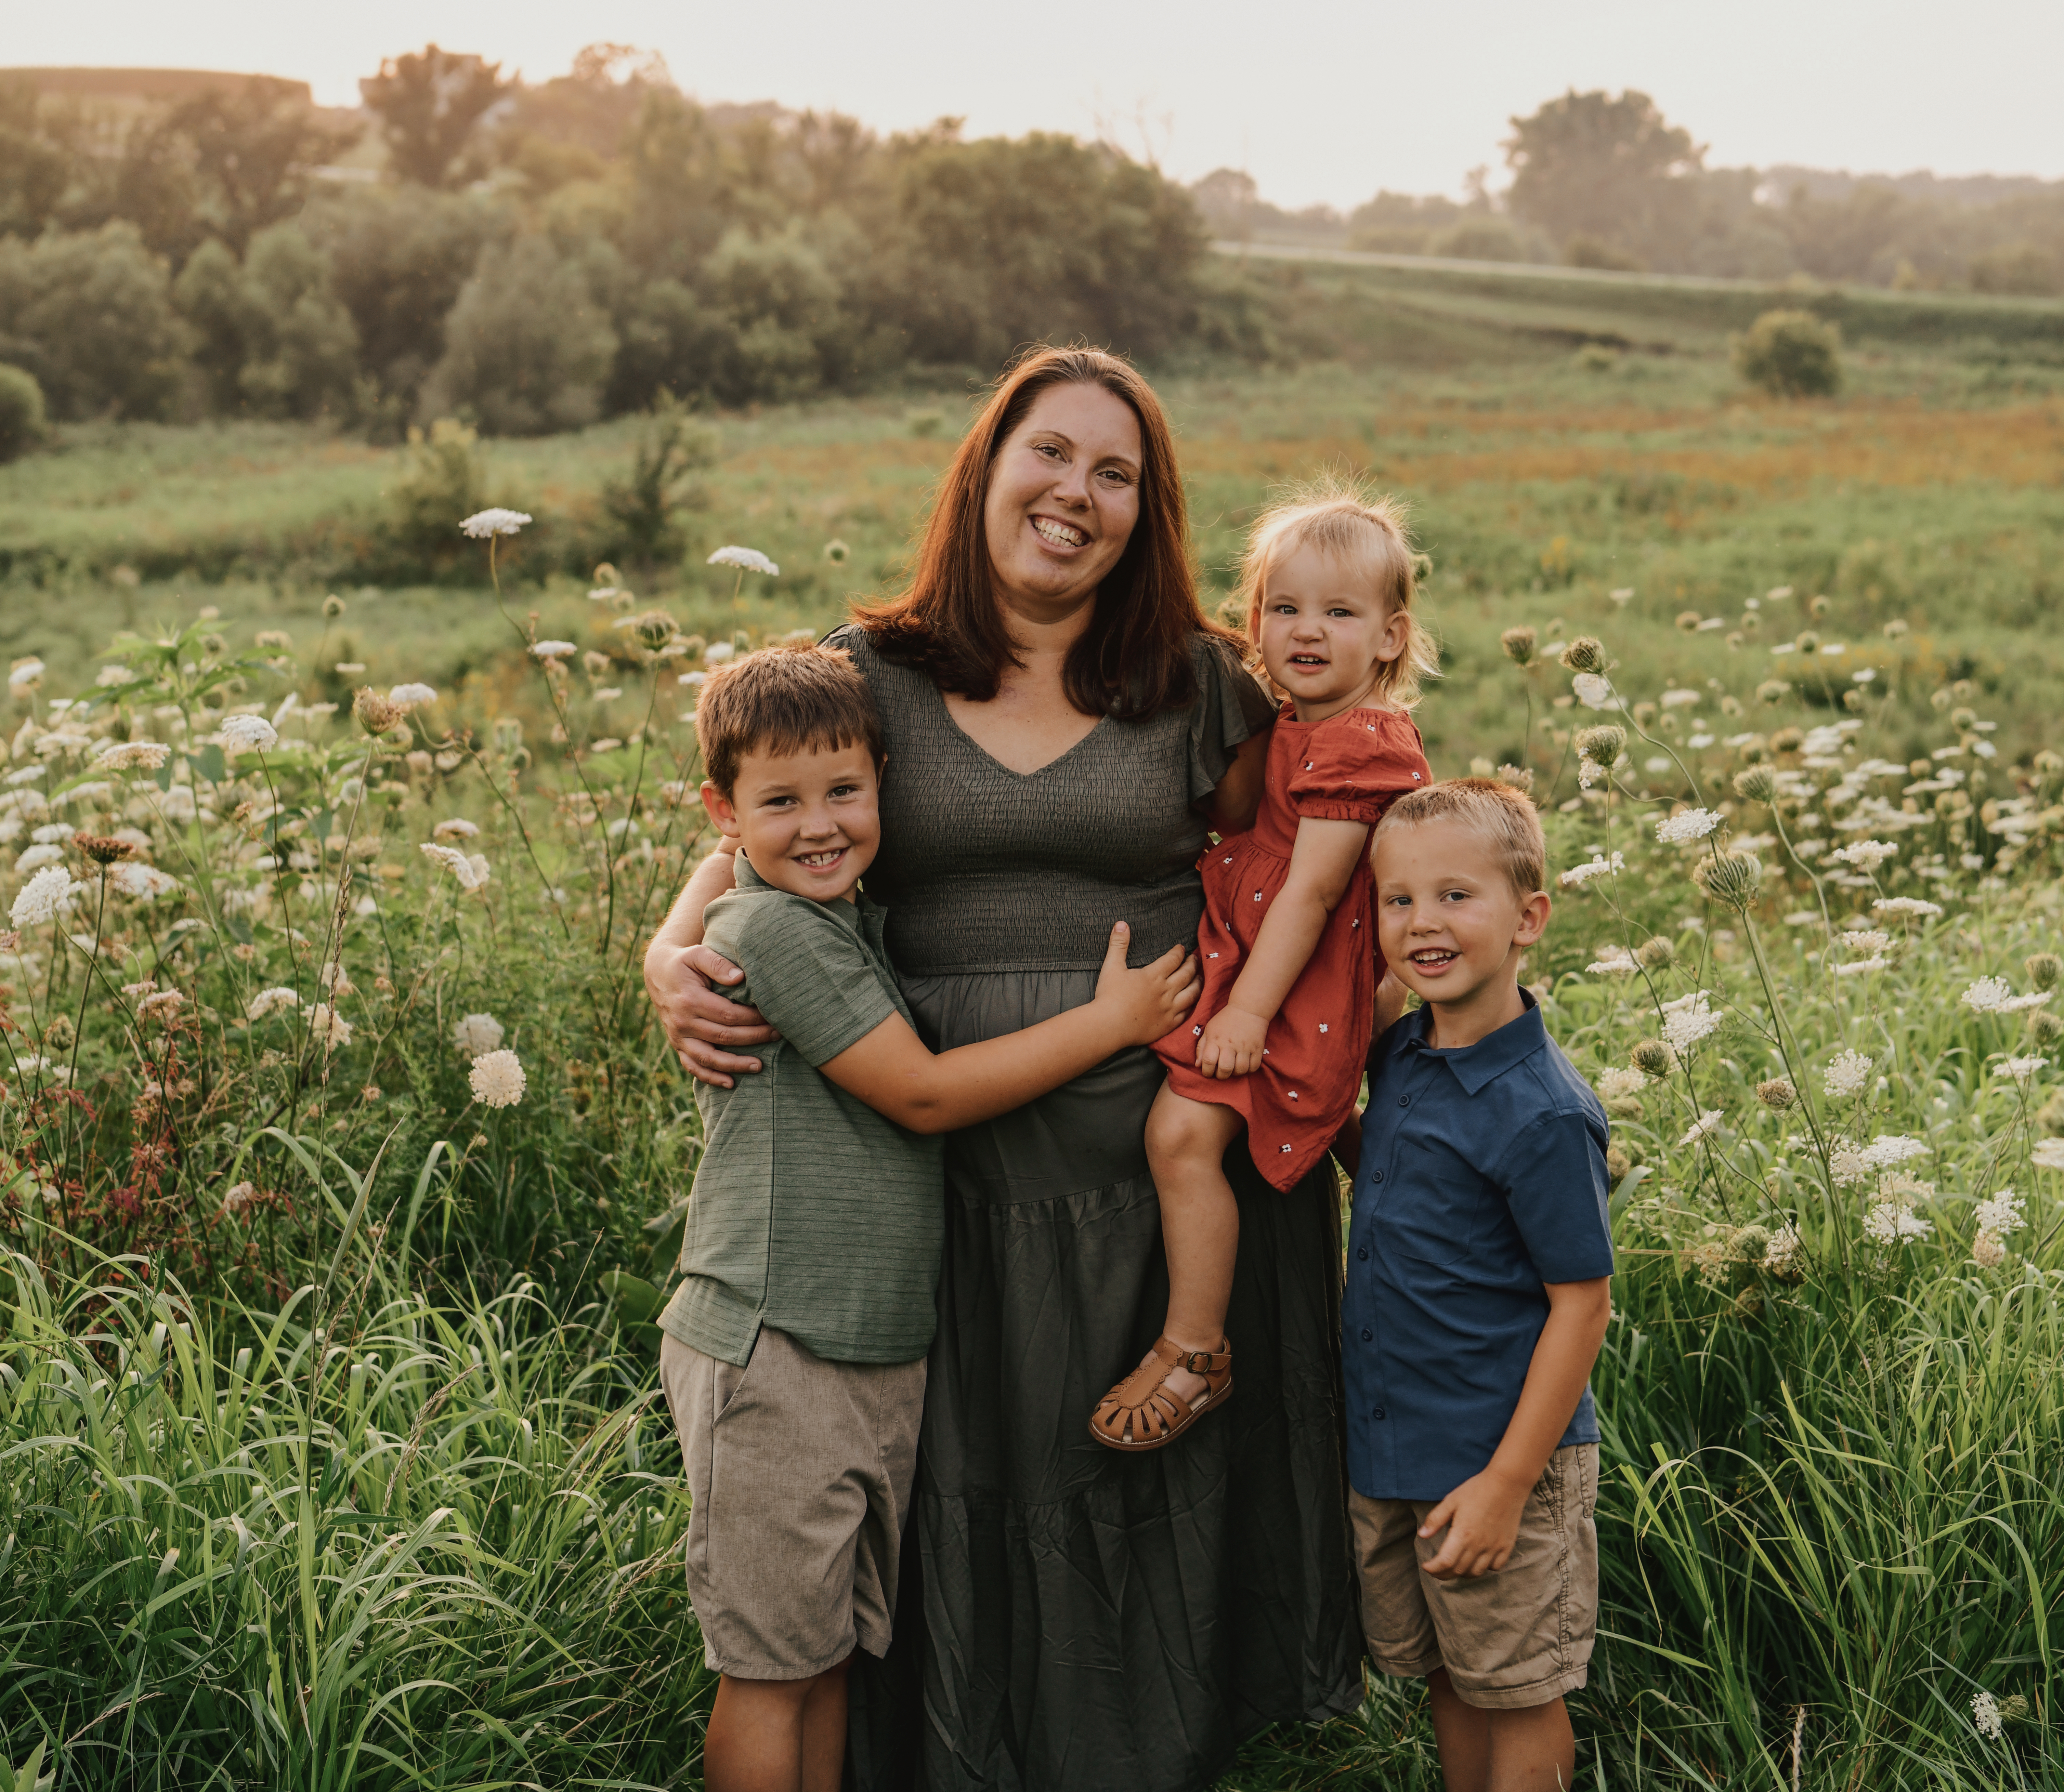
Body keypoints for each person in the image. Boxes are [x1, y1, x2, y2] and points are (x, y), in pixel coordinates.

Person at [646, 346, 1364, 1792]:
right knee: (967, 1482)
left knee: (1131, 1481)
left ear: (1144, 510)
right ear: (987, 464)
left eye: (1117, 473)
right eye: (1052, 453)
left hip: (1157, 1163)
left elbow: (1312, 841)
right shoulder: (871, 675)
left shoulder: (1197, 684)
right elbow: (756, 828)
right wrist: (668, 949)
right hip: (939, 1162)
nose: (1076, 493)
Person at [657, 641, 1198, 1792]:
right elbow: (922, 1094)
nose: (819, 824)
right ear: (725, 812)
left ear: (883, 786)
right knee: (769, 1666)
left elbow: (754, 851)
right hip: (776, 1342)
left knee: (826, 1654)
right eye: (780, 802)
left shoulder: (838, 920)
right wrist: (1112, 1025)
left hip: (862, 1348)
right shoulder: (776, 935)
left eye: (843, 792)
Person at [1089, 484, 1433, 1451]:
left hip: (1294, 984)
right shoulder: (1301, 724)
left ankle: (1197, 1348)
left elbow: (1314, 896)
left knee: (1181, 1136)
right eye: (1283, 610)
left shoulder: (1363, 740)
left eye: (1338, 612)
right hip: (1285, 969)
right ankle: (1413, 1187)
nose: (1306, 631)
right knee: (1298, 1129)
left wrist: (1243, 1014)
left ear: (1391, 636)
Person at [1340, 779, 1616, 1792]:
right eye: (1398, 901)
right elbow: (1395, 1182)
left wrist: (1504, 1487)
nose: (1422, 924)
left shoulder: (1541, 1113)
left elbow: (1581, 1304)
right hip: (1395, 1442)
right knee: (1452, 1680)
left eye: (1456, 897)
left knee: (1517, 1694)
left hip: (1499, 1458)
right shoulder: (1404, 1055)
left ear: (1527, 919)